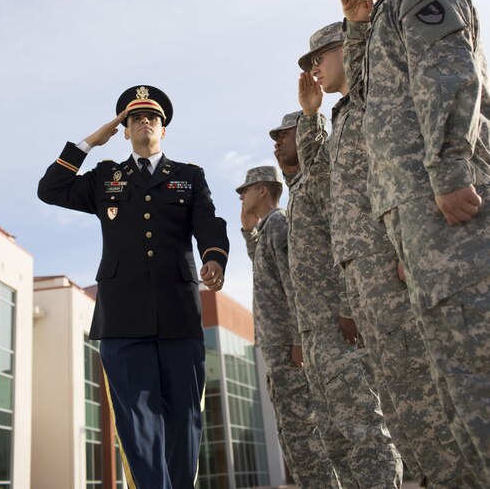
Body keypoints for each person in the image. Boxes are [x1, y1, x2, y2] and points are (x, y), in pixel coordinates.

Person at [330, 0, 490, 482]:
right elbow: (374, 109)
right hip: (419, 227)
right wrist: (353, 26)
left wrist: (450, 168)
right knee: (456, 394)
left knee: (477, 381)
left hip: (449, 211)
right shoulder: (382, 19)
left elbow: (448, 69)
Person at [297, 21, 476, 487]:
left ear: (349, 49)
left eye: (321, 56)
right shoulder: (342, 118)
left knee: (433, 401)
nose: (315, 68)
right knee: (402, 407)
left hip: (396, 265)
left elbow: (409, 168)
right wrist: (311, 116)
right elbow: (319, 190)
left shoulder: (379, 97)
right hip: (365, 278)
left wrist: (408, 245)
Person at [38, 84, 229, 489]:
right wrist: (91, 140)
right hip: (122, 318)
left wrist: (214, 256)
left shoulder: (188, 176)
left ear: (164, 129)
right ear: (124, 129)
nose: (145, 122)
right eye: (134, 118)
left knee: (184, 419)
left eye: (153, 117)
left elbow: (208, 221)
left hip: (179, 314)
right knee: (137, 425)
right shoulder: (106, 176)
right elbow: (50, 189)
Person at [270, 112, 402, 488]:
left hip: (339, 330)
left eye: (286, 134)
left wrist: (349, 308)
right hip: (316, 337)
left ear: (310, 134)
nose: (278, 143)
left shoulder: (321, 182)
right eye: (275, 138)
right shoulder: (296, 196)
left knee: (364, 430)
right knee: (335, 439)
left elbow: (343, 237)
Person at [237, 165, 334, 488]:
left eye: (245, 191)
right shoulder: (266, 229)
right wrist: (247, 231)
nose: (242, 197)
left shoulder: (279, 223)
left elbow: (293, 282)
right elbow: (264, 269)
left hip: (287, 344)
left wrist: (297, 337)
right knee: (291, 430)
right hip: (276, 344)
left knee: (301, 429)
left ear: (262, 191)